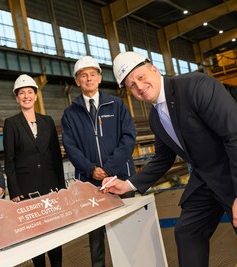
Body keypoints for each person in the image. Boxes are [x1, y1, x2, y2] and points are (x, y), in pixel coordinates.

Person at [103, 51, 237, 267]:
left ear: (154, 69)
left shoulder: (196, 86)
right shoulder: (156, 117)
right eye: (131, 85)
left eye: (140, 77)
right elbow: (163, 159)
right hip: (211, 176)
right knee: (187, 232)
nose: (138, 86)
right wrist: (127, 184)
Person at [61, 56, 136, 267]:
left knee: (126, 227)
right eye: (83, 75)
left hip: (120, 177)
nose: (88, 79)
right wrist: (90, 169)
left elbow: (129, 137)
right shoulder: (70, 113)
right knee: (95, 236)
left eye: (92, 74)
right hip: (90, 183)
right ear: (77, 81)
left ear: (100, 78)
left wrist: (109, 168)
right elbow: (70, 147)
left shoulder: (117, 104)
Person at [3, 74, 66, 267]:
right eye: (22, 93)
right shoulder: (11, 123)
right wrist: (15, 192)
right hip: (27, 189)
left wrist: (62, 187)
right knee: (35, 236)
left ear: (36, 96)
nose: (26, 96)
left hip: (50, 186)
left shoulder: (47, 121)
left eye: (30, 92)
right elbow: (10, 161)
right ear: (17, 98)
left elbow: (56, 156)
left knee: (55, 233)